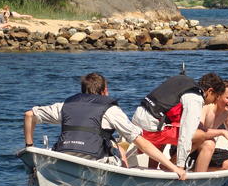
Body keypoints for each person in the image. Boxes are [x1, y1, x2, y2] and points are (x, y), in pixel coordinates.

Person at [23, 72, 186, 180]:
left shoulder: (64, 106)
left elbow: (29, 115)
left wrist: (29, 146)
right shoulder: (111, 110)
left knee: (115, 144)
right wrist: (173, 168)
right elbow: (141, 142)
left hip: (63, 157)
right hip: (93, 159)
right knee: (120, 148)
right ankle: (124, 182)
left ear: (82, 91)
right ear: (105, 91)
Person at [132, 72, 225, 168]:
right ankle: (169, 165)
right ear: (210, 91)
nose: (214, 102)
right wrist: (181, 165)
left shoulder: (181, 80)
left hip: (137, 121)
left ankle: (152, 169)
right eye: (215, 98)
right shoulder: (195, 98)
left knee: (166, 125)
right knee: (201, 135)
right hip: (149, 131)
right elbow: (187, 134)